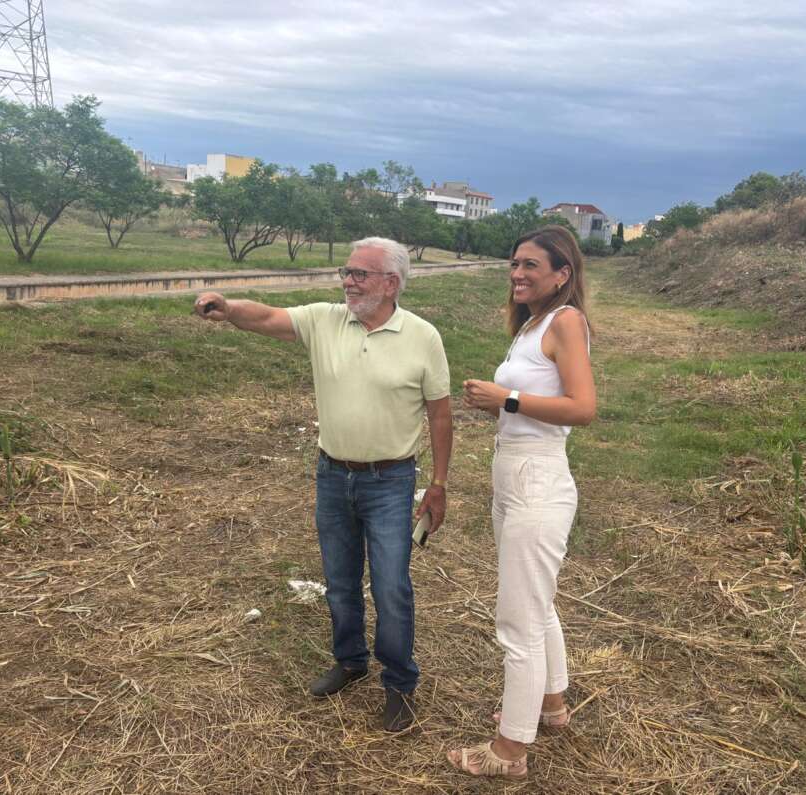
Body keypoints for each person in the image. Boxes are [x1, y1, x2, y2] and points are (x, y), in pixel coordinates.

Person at [194, 237, 453, 732]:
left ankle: (399, 682)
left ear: (392, 283)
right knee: (339, 579)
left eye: (361, 274)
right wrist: (227, 308)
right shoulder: (325, 319)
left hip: (391, 480)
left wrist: (438, 484)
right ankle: (351, 660)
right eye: (347, 271)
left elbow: (441, 416)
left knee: (392, 586)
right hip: (332, 475)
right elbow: (267, 316)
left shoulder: (423, 337)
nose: (348, 281)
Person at [450, 225, 595, 778]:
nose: (517, 273)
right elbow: (539, 402)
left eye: (531, 265)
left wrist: (505, 398)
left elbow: (582, 408)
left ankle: (509, 751)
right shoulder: (532, 323)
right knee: (538, 604)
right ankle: (550, 706)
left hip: (538, 479)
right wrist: (502, 406)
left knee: (518, 620)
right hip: (513, 474)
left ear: (563, 274)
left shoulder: (566, 321)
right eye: (514, 263)